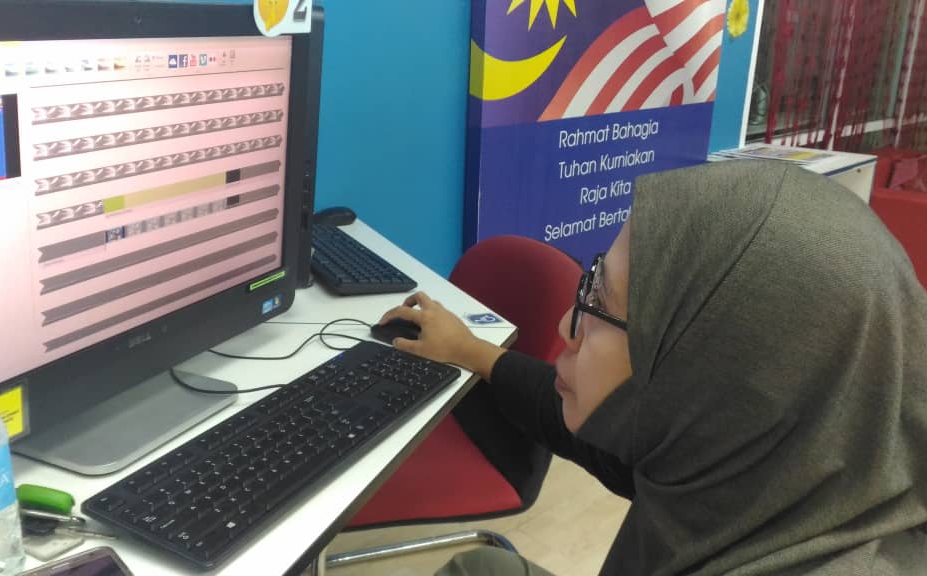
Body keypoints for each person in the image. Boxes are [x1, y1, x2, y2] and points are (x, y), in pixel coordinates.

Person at [378, 161, 927, 575]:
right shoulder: (759, 460)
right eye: (592, 282)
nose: (567, 326)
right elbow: (586, 426)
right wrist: (471, 351)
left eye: (602, 303)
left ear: (710, 378)